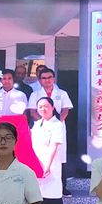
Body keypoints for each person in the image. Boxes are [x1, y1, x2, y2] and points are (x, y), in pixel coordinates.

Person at [27, 67, 74, 195]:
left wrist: (56, 122)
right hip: (41, 128)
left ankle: (63, 186)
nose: (47, 80)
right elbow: (32, 112)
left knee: (59, 156)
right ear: (39, 80)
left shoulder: (62, 93)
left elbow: (65, 110)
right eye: (44, 78)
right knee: (41, 155)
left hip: (57, 127)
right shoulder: (35, 94)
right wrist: (45, 122)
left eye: (49, 77)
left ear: (54, 78)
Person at [30, 97, 65, 204]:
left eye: (46, 106)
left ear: (52, 107)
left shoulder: (57, 125)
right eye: (40, 107)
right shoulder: (36, 125)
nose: (43, 109)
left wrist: (48, 166)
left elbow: (54, 146)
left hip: (51, 164)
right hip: (37, 164)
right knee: (38, 203)